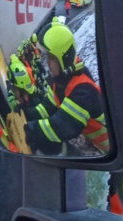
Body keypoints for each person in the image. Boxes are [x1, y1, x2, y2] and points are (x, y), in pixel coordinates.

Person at [21, 18, 109, 156]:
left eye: (51, 58)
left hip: (106, 150)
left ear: (64, 58)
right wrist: (25, 113)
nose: (47, 62)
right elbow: (46, 109)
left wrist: (28, 129)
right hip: (90, 142)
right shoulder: (62, 82)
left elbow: (61, 128)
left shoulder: (83, 92)